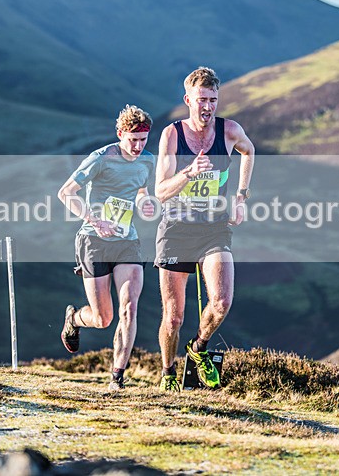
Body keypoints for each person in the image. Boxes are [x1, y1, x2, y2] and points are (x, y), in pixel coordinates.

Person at [154, 67, 255, 392]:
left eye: (213, 99)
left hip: (214, 229)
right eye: (201, 100)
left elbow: (249, 151)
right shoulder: (172, 135)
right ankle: (168, 372)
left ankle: (198, 348)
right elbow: (160, 191)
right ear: (188, 100)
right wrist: (188, 173)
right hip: (176, 231)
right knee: (173, 317)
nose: (208, 107)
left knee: (222, 302)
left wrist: (240, 197)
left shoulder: (230, 131)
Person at [58, 104, 155, 392]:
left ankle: (117, 378)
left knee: (129, 308)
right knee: (103, 319)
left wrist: (145, 203)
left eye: (143, 140)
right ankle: (74, 318)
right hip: (94, 240)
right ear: (120, 134)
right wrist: (95, 219)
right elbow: (66, 193)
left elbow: (141, 190)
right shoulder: (100, 159)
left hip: (126, 240)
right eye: (133, 140)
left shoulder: (148, 160)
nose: (138, 146)